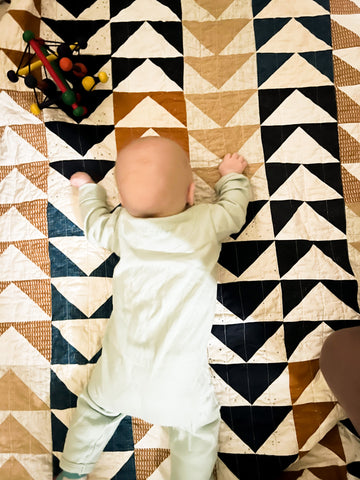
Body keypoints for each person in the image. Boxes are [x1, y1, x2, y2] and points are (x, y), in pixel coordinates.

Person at [56, 136, 251, 480]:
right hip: (180, 385)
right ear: (191, 194)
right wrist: (232, 177)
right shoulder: (206, 220)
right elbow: (234, 211)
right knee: (198, 430)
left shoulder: (124, 227)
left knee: (95, 410)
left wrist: (89, 189)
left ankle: (72, 471)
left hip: (119, 374)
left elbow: (95, 223)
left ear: (125, 204)